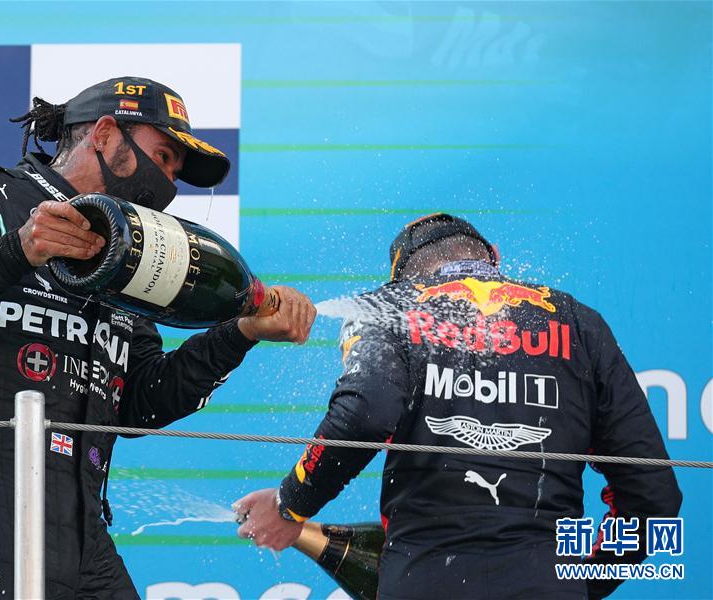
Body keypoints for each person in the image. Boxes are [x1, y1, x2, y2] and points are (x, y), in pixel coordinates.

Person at [0, 76, 316, 599]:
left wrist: (239, 334)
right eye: (163, 157)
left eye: (176, 172)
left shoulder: (133, 253)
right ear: (104, 134)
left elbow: (140, 406)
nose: (168, 182)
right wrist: (17, 250)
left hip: (87, 529)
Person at [234, 214, 681, 599]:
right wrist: (578, 582)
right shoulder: (579, 322)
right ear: (494, 258)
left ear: (403, 278)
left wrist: (291, 504)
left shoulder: (388, 307)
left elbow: (364, 414)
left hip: (423, 579)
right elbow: (654, 497)